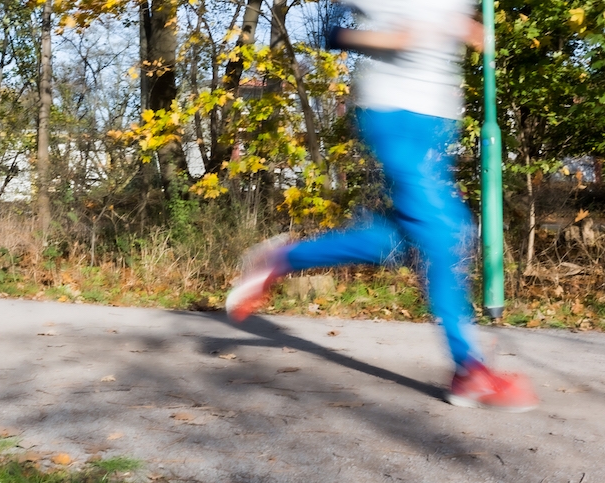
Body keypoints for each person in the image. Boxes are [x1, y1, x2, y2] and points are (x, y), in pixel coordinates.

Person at [224, 0, 538, 412]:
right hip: (396, 116)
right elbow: (336, 29)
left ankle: (281, 258)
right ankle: (470, 371)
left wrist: (462, 27)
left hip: (434, 120)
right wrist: (390, 39)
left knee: (409, 242)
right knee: (446, 233)